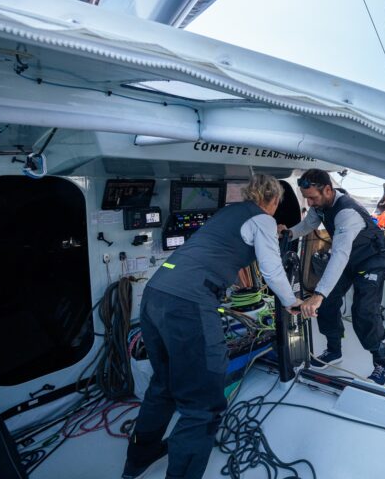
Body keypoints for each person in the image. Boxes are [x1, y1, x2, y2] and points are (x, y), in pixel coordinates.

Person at [122, 174, 301, 479]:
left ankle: (139, 458)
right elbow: (271, 269)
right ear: (273, 200)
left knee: (163, 384)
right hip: (188, 304)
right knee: (203, 402)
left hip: (156, 295)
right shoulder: (263, 220)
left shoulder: (228, 212)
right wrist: (290, 301)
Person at [279, 169, 385, 385]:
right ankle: (334, 350)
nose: (310, 203)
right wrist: (289, 232)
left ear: (328, 190)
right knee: (328, 302)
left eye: (313, 197)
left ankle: (382, 363)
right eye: (307, 198)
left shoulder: (346, 213)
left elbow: (339, 255)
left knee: (364, 311)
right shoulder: (320, 206)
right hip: (348, 257)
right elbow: (308, 225)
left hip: (371, 258)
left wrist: (317, 294)